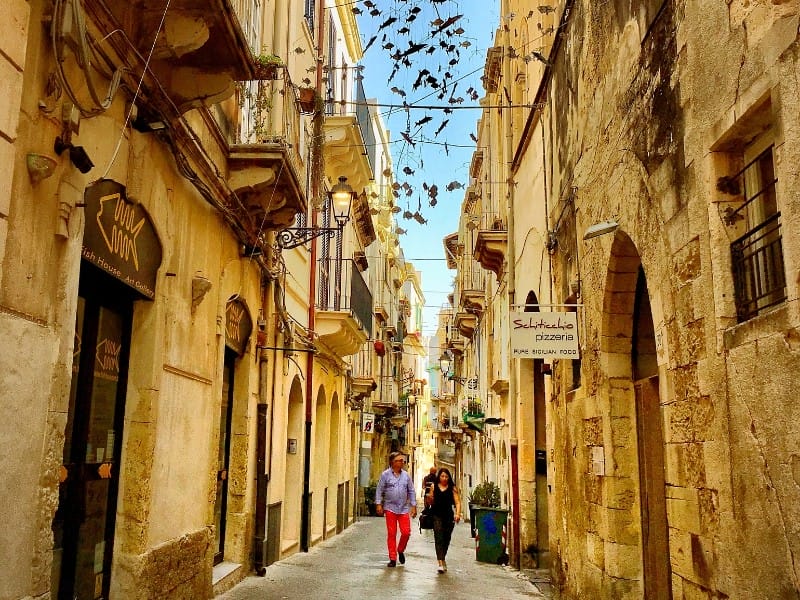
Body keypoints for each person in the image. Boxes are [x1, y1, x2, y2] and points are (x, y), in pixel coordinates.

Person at [375, 451, 417, 567]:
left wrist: (413, 506)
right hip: (390, 508)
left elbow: (411, 490)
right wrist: (378, 504)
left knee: (406, 532)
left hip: (403, 508)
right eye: (399, 460)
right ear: (392, 462)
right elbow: (379, 489)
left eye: (402, 460)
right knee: (392, 533)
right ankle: (392, 558)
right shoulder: (385, 475)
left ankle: (400, 549)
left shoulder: (406, 476)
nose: (402, 462)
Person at [425, 467, 461, 573]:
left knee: (446, 538)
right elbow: (430, 501)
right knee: (438, 537)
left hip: (448, 516)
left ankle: (443, 558)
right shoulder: (434, 486)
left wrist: (457, 514)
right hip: (436, 515)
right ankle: (440, 562)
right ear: (439, 477)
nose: (444, 478)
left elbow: (457, 502)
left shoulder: (452, 488)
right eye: (442, 476)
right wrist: (429, 498)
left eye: (446, 476)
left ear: (449, 478)